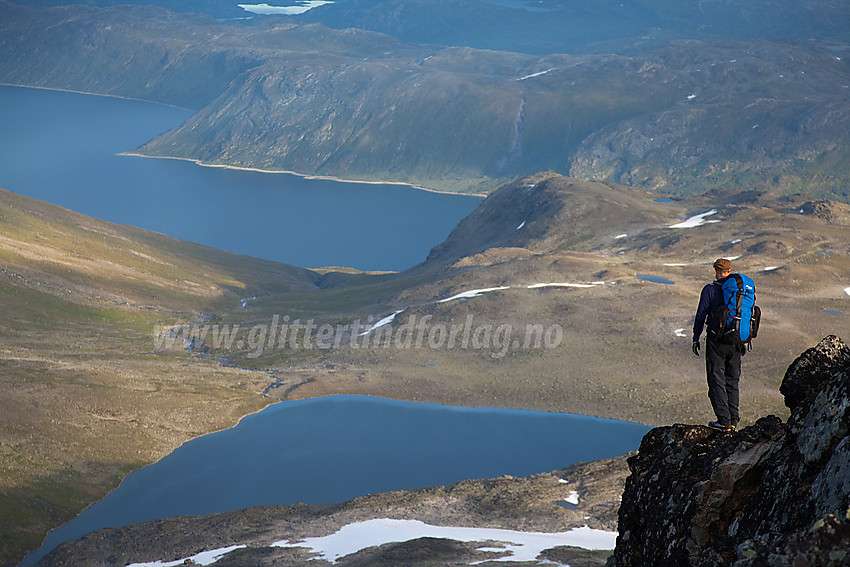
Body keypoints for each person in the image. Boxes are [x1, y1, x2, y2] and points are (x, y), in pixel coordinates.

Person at [692, 258, 742, 432]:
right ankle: (734, 422)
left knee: (716, 379)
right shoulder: (739, 290)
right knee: (732, 380)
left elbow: (700, 315)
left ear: (715, 271)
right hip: (736, 341)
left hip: (717, 342)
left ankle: (724, 422)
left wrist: (695, 337)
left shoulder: (710, 290)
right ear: (730, 271)